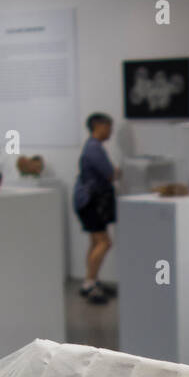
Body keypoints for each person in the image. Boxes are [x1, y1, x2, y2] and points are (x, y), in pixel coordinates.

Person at [74, 112, 119, 303]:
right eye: (108, 126)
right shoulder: (94, 148)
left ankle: (91, 280)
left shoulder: (93, 147)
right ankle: (90, 283)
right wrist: (117, 173)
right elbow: (110, 174)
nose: (110, 131)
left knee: (95, 242)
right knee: (104, 242)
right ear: (99, 126)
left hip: (89, 200)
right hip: (90, 201)